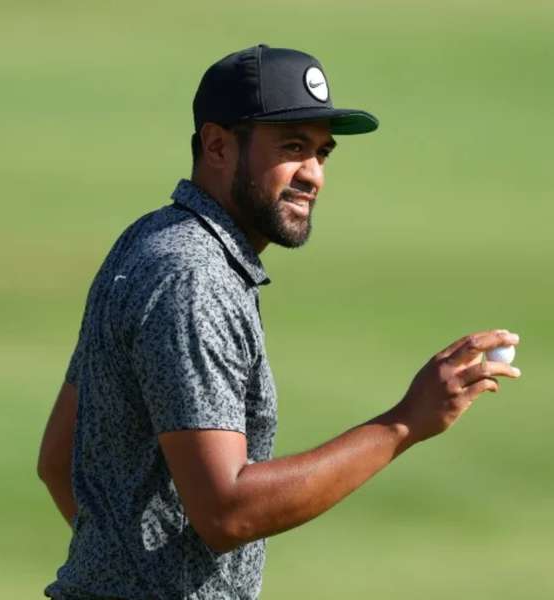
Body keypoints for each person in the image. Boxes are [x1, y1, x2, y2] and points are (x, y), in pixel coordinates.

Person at [37, 44, 521, 600]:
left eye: (322, 152)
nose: (313, 174)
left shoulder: (149, 241)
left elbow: (60, 458)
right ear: (218, 145)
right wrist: (404, 423)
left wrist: (123, 570)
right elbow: (226, 511)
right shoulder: (195, 277)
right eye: (292, 148)